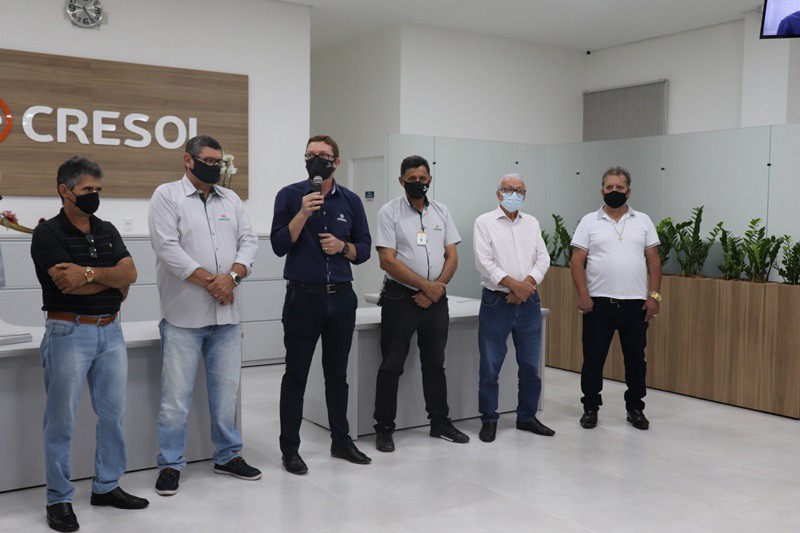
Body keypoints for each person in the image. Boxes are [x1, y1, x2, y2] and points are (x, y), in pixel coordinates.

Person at [31, 156, 148, 532]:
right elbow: (66, 284)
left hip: (111, 332)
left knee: (113, 415)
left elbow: (131, 274)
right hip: (68, 333)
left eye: (98, 189)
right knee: (61, 421)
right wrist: (110, 280)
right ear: (65, 191)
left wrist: (89, 274)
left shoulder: (107, 229)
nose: (94, 195)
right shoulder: (47, 234)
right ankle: (58, 498)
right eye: (87, 189)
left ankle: (107, 486)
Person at [149, 135, 260, 496]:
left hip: (227, 318)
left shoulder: (231, 199)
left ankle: (227, 456)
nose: (215, 166)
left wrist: (233, 278)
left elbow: (249, 241)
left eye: (219, 161)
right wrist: (215, 283)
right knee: (175, 400)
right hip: (183, 317)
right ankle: (170, 463)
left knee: (226, 396)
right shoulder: (167, 195)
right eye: (208, 160)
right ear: (188, 160)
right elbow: (167, 248)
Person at [271, 134, 372, 474]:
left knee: (337, 376)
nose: (316, 160)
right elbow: (279, 245)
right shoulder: (289, 196)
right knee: (295, 376)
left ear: (336, 162)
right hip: (303, 298)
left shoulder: (351, 201)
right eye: (310, 155)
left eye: (324, 155)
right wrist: (302, 213)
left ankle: (341, 441)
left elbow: (364, 249)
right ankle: (290, 449)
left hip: (341, 298)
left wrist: (343, 247)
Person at [372, 155, 469, 453]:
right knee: (391, 365)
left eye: (422, 179)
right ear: (401, 181)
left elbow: (452, 255)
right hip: (400, 298)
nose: (418, 183)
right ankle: (384, 428)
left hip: (436, 300)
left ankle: (440, 422)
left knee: (435, 364)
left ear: (430, 180)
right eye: (412, 179)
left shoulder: (441, 211)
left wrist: (435, 289)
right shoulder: (389, 212)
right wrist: (425, 286)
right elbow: (387, 260)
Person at [569, 166, 661, 430]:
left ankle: (635, 408)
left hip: (635, 305)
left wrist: (654, 296)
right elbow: (576, 261)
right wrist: (583, 295)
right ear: (602, 191)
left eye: (620, 187)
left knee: (635, 361)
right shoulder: (589, 221)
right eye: (609, 187)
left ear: (629, 192)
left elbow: (654, 261)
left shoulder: (643, 221)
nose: (614, 191)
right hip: (599, 304)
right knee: (593, 359)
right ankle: (590, 407)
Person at [473, 173, 555, 443]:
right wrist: (514, 286)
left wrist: (525, 287)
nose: (514, 194)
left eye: (519, 190)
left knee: (531, 365)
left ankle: (527, 416)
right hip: (497, 302)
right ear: (499, 193)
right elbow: (484, 262)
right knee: (490, 365)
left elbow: (543, 258)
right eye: (508, 189)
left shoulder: (531, 223)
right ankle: (489, 419)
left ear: (525, 195)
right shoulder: (484, 222)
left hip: (528, 302)